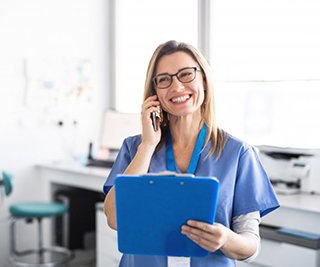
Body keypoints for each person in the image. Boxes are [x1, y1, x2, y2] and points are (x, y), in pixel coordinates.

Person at [103, 40, 280, 267]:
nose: (176, 87)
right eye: (164, 79)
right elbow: (115, 219)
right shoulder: (135, 148)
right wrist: (148, 145)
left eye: (186, 74)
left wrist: (225, 238)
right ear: (155, 92)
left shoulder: (239, 154)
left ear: (204, 80)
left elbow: (250, 246)